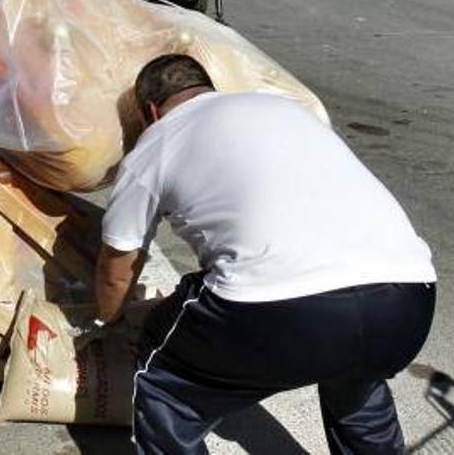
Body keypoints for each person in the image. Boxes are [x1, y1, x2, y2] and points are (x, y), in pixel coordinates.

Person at [96, 54, 436, 454]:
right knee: (356, 377)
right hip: (407, 302)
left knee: (163, 381)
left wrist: (111, 322)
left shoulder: (159, 140)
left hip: (282, 313)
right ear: (209, 90)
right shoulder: (284, 109)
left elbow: (116, 270)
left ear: (151, 111)